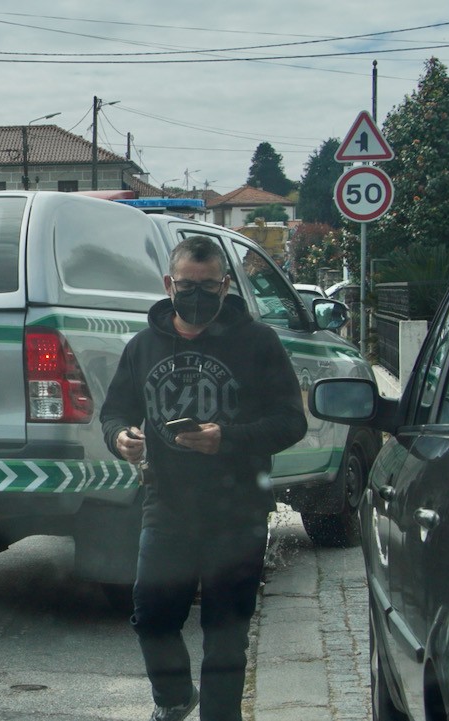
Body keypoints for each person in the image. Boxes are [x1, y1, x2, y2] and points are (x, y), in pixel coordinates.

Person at [99, 235, 307, 721]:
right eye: (188, 285)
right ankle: (173, 699)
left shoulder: (258, 343)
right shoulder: (143, 345)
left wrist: (226, 438)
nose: (198, 295)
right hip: (166, 506)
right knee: (151, 618)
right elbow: (114, 413)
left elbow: (291, 422)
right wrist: (121, 439)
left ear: (225, 285)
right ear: (169, 285)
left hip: (238, 512)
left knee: (226, 637)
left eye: (209, 286)